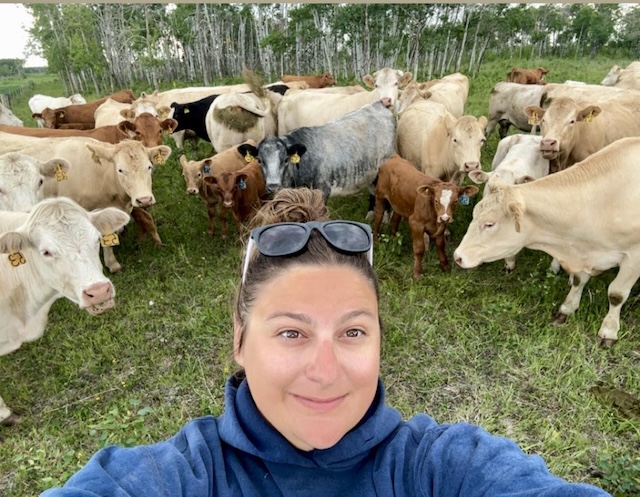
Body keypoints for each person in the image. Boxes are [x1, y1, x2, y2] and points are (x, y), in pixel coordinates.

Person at [42, 188, 610, 496]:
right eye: (291, 332)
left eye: (353, 332)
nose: (325, 369)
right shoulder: (178, 477)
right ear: (239, 340)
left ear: (381, 341)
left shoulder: (444, 469)